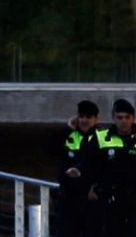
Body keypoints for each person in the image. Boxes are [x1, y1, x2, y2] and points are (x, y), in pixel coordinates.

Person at [67, 99, 136, 237]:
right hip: (110, 199)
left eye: (127, 117)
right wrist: (79, 170)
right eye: (119, 117)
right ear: (113, 118)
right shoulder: (101, 137)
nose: (123, 121)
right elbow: (88, 160)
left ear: (133, 118)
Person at [55, 100, 102, 237]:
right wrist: (68, 128)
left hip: (91, 200)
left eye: (88, 117)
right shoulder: (69, 135)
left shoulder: (102, 137)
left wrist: (97, 186)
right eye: (81, 116)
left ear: (96, 119)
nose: (84, 120)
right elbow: (50, 147)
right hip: (68, 200)